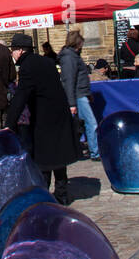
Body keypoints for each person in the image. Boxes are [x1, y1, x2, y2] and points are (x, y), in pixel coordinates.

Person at [7, 33, 76, 204]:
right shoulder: (46, 61)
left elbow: (22, 95)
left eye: (13, 50)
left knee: (44, 158)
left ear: (20, 50)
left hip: (44, 116)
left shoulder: (27, 67)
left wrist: (10, 123)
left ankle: (44, 197)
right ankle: (62, 194)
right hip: (58, 112)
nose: (12, 54)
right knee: (59, 157)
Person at [57, 29, 100, 161]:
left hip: (81, 94)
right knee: (91, 123)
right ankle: (95, 152)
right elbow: (69, 80)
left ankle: (78, 150)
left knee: (79, 126)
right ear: (77, 43)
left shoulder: (73, 56)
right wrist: (72, 103)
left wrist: (87, 93)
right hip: (77, 95)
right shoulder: (69, 57)